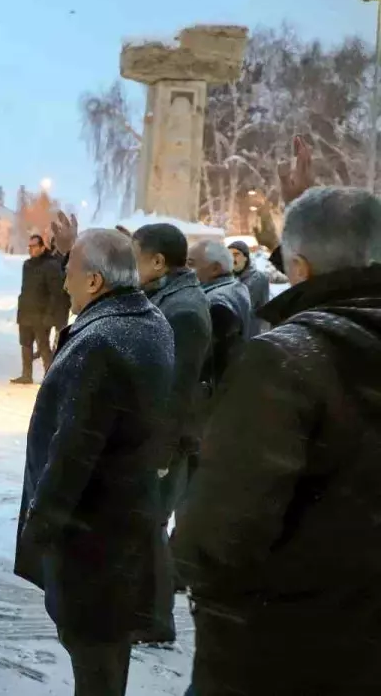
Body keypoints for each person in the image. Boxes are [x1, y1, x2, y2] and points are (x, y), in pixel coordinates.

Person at [173, 186, 381, 696]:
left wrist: (187, 563)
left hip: (285, 650)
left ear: (301, 267)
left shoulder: (287, 360)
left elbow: (219, 531)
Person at [14, 229, 175, 695]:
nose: (64, 282)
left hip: (94, 535)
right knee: (104, 654)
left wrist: (41, 525)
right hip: (122, 525)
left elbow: (75, 448)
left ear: (94, 282)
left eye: (70, 273)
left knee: (94, 654)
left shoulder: (101, 341)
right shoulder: (149, 321)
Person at [130, 223, 213, 643]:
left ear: (158, 261)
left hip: (168, 441)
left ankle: (156, 621)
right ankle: (144, 613)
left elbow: (177, 389)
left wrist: (160, 453)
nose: (131, 265)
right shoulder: (167, 294)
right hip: (159, 435)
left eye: (135, 255)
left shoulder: (183, 309)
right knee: (145, 527)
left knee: (151, 528)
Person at [187, 239, 251, 393]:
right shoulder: (236, 287)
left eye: (191, 263)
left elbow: (212, 362)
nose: (186, 269)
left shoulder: (214, 303)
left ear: (215, 268)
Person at [12, 234, 64, 384]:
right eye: (29, 246)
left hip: (41, 315)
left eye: (34, 246)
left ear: (42, 247)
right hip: (26, 312)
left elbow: (56, 293)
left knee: (43, 347)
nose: (31, 249)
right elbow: (25, 289)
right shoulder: (27, 265)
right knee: (25, 344)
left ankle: (50, 379)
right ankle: (26, 375)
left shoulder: (51, 265)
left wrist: (50, 315)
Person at [228, 240, 270, 335]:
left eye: (236, 255)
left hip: (252, 334)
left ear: (245, 257)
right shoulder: (228, 278)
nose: (232, 259)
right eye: (229, 255)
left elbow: (264, 311)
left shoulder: (259, 278)